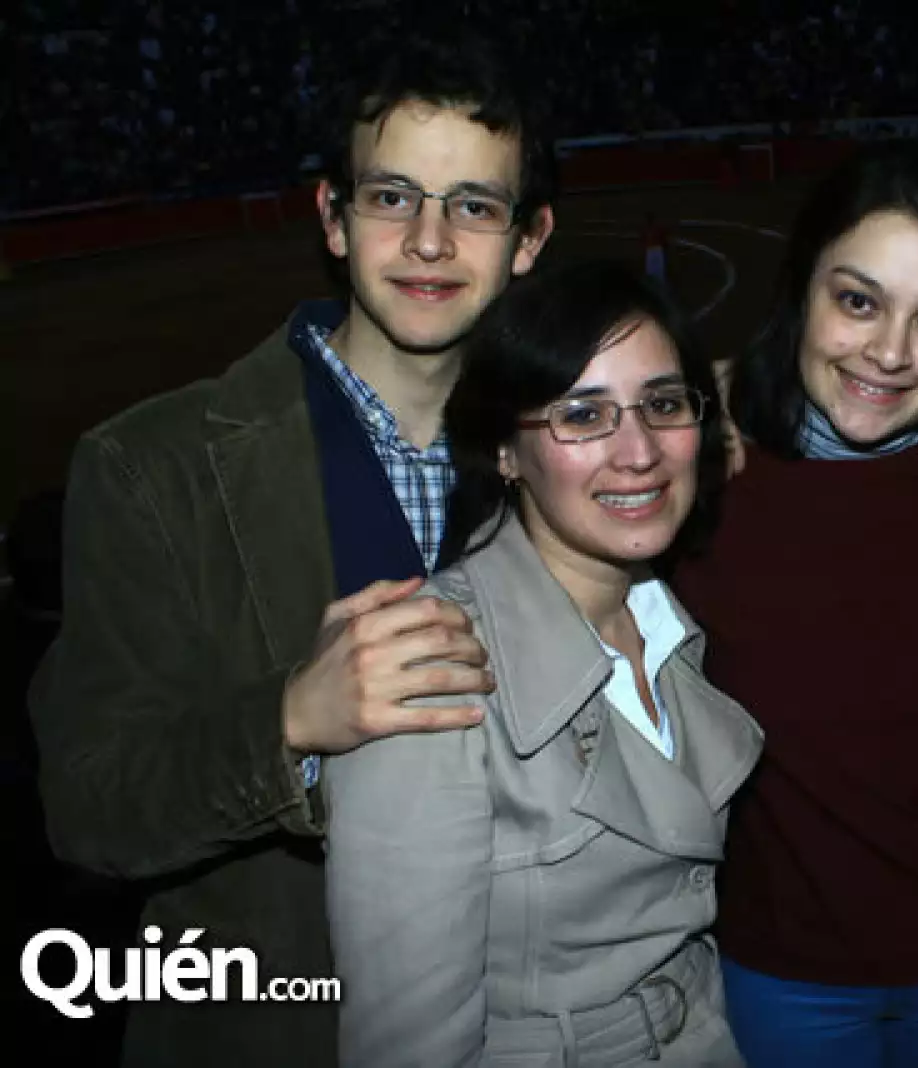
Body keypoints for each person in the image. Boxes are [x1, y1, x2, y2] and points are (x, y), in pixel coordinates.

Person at [27, 29, 554, 1068]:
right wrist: (288, 725)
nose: (431, 242)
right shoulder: (151, 466)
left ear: (527, 240)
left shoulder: (571, 451)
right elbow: (87, 814)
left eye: (473, 207)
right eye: (392, 197)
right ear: (332, 215)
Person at [670, 140, 918, 1068]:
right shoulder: (689, 465)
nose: (889, 354)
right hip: (778, 972)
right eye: (858, 301)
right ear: (801, 285)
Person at [324, 260, 762, 1067]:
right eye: (582, 414)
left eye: (663, 404)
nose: (638, 453)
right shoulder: (429, 672)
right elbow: (407, 1046)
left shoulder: (674, 623)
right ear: (505, 452)